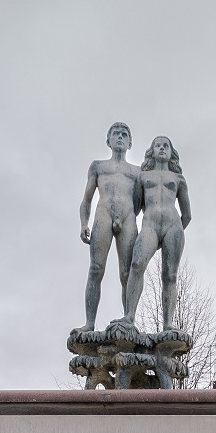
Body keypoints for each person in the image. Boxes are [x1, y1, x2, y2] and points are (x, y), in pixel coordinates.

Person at [121, 136, 191, 330]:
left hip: (173, 227)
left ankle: (168, 324)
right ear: (151, 151)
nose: (161, 148)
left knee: (169, 275)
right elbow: (135, 208)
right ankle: (129, 316)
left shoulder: (178, 179)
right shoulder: (143, 177)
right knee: (137, 264)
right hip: (149, 225)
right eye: (157, 145)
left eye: (165, 146)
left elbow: (187, 215)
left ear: (171, 153)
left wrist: (172, 235)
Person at [78, 122, 140, 331]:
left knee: (127, 273)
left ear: (130, 143)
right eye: (116, 133)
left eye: (124, 134)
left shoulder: (137, 171)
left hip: (128, 217)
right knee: (96, 269)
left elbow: (143, 201)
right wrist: (83, 223)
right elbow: (87, 199)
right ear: (108, 140)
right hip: (103, 214)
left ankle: (128, 320)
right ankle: (89, 323)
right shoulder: (98, 166)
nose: (120, 137)